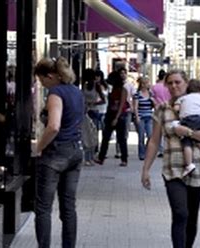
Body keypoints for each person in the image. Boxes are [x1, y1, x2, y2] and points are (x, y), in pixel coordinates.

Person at [141, 70, 200, 248]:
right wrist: (145, 169)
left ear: (186, 83)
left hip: (197, 168)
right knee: (180, 213)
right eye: (170, 83)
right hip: (173, 169)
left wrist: (189, 132)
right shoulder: (162, 109)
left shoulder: (199, 103)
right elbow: (154, 141)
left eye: (178, 82)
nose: (174, 86)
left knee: (191, 216)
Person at [33, 57, 85, 248]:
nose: (43, 85)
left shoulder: (55, 93)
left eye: (42, 80)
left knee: (43, 208)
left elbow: (54, 126)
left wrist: (39, 147)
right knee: (68, 207)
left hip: (55, 154)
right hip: (75, 151)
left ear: (50, 76)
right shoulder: (76, 92)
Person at [171, 79, 200, 176]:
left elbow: (176, 108)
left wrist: (180, 112)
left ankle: (189, 164)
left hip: (187, 120)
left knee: (186, 141)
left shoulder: (184, 98)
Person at [94, 71, 129, 167]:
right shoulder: (111, 89)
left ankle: (124, 158)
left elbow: (122, 105)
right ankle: (101, 157)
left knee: (121, 138)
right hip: (110, 115)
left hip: (119, 116)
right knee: (106, 137)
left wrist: (116, 118)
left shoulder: (122, 90)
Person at [133, 77, 156, 160]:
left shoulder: (150, 94)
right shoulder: (137, 94)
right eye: (145, 83)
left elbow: (155, 105)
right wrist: (137, 117)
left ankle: (147, 151)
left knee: (150, 135)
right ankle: (141, 154)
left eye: (147, 83)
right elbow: (135, 107)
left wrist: (153, 100)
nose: (147, 85)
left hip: (149, 117)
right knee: (141, 136)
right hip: (141, 117)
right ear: (142, 84)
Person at [151, 69, 171, 157]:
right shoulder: (168, 87)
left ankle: (161, 149)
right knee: (167, 129)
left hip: (158, 108)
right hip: (169, 108)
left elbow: (151, 97)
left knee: (157, 130)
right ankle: (166, 147)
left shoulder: (154, 87)